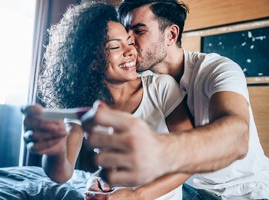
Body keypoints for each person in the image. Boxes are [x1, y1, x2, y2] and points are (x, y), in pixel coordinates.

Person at [81, 0, 269, 199]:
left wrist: (160, 147)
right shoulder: (144, 83)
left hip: (241, 191)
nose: (129, 40)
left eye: (139, 31)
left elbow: (236, 138)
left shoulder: (218, 69)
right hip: (186, 189)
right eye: (127, 32)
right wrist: (99, 178)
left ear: (171, 34)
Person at [22, 2, 194, 199]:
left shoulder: (161, 88)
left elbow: (189, 159)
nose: (130, 51)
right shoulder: (83, 104)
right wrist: (54, 150)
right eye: (114, 46)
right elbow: (62, 174)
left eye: (130, 42)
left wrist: (136, 195)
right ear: (91, 60)